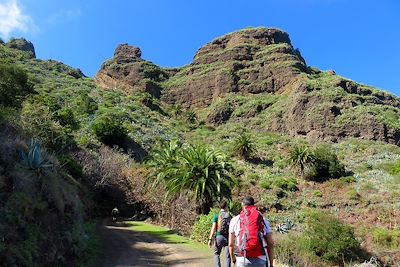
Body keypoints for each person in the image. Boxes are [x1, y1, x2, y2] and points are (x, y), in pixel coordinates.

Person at [228, 197, 274, 267]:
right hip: (260, 259)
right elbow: (270, 243)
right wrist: (271, 264)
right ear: (253, 205)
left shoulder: (235, 220)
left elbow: (231, 244)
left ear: (242, 205)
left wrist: (233, 259)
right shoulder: (262, 219)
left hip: (242, 259)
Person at [208, 200, 231, 267]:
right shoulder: (229, 215)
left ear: (219, 207)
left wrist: (210, 239)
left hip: (219, 237)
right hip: (227, 237)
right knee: (227, 256)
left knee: (217, 254)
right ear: (226, 206)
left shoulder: (216, 216)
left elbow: (213, 228)